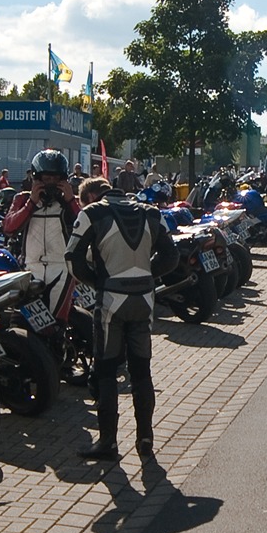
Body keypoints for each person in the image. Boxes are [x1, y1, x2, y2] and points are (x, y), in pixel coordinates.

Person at [66, 178, 178, 482]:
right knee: (142, 370)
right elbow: (171, 256)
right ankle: (145, 440)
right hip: (143, 300)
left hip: (111, 302)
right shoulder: (151, 212)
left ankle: (108, 442)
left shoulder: (92, 214)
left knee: (105, 370)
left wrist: (99, 280)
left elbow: (73, 259)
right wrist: (146, 275)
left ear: (92, 197)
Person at [4, 150, 79, 308]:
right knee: (22, 317)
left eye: (55, 178)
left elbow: (84, 226)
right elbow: (9, 228)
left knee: (58, 320)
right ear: (37, 178)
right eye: (46, 178)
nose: (51, 182)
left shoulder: (70, 201)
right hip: (31, 266)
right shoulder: (23, 199)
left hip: (62, 267)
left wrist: (71, 201)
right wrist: (31, 203)